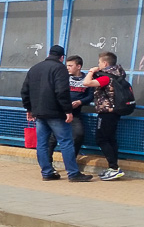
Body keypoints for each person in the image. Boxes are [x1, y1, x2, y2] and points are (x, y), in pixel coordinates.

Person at [21, 45, 91, 182]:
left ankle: (47, 172)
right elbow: (61, 92)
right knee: (66, 141)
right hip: (55, 112)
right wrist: (67, 111)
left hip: (39, 113)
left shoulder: (34, 68)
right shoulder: (59, 69)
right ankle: (73, 173)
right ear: (62, 57)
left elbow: (25, 91)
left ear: (49, 54)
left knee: (42, 143)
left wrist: (29, 109)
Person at [82, 51, 129, 180]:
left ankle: (114, 168)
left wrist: (91, 72)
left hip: (106, 113)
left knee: (101, 139)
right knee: (111, 139)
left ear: (105, 63)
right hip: (115, 112)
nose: (98, 65)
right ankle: (114, 167)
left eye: (99, 63)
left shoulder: (106, 77)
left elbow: (86, 83)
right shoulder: (118, 75)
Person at [46, 54, 94, 156]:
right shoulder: (63, 77)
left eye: (70, 65)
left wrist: (80, 102)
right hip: (60, 112)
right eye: (67, 65)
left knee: (79, 135)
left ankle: (71, 159)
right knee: (53, 137)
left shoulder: (86, 79)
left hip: (75, 113)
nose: (67, 68)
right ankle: (48, 161)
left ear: (78, 66)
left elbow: (90, 96)